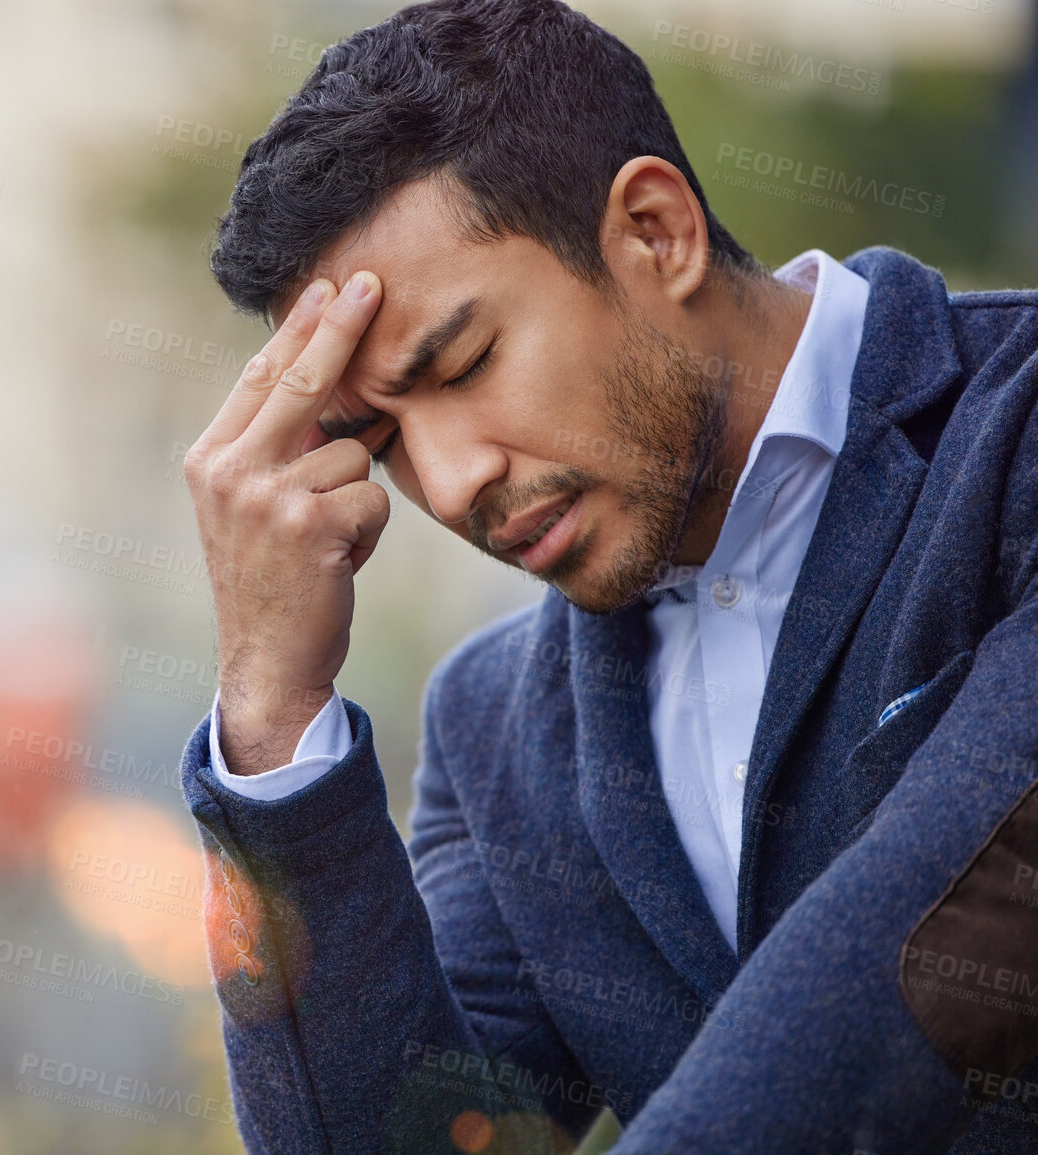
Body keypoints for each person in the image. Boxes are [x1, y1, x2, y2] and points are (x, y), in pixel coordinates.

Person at [176, 1, 1038, 1151]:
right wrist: (273, 713)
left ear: (655, 230)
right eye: (379, 443)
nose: (446, 481)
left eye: (466, 362)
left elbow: (928, 968)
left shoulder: (1015, 444)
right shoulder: (497, 729)